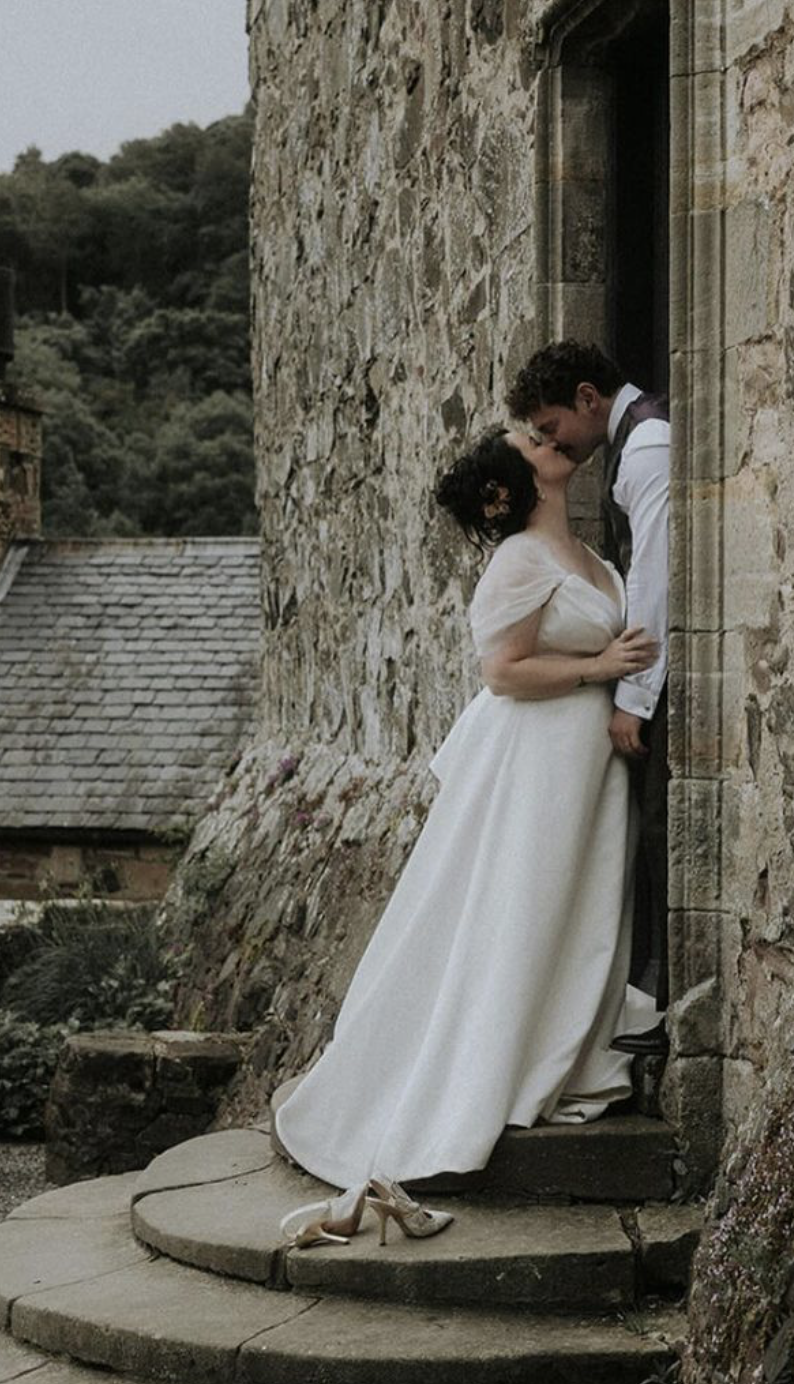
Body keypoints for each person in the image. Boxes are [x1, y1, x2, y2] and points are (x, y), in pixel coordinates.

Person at [272, 426, 660, 1233]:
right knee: (520, 908)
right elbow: (501, 671)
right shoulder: (518, 558)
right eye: (528, 440)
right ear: (505, 489)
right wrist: (600, 671)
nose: (546, 439)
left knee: (575, 911)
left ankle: (557, 1040)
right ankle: (477, 1071)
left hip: (584, 764)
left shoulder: (588, 553)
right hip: (537, 760)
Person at [507, 341, 670, 1051]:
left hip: (651, 680)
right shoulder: (633, 446)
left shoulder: (647, 449)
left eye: (551, 425)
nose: (553, 442)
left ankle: (654, 998)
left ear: (586, 398)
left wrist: (635, 694)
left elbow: (661, 576)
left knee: (660, 834)